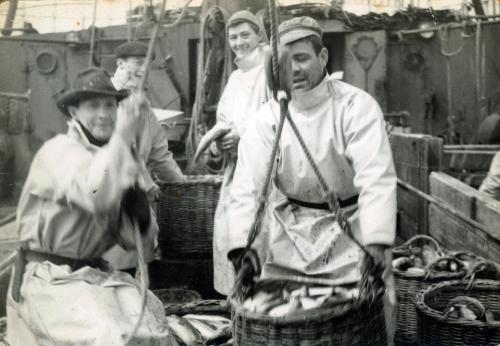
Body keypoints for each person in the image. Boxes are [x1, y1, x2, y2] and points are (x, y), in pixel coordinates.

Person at [227, 15, 396, 338]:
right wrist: (243, 247)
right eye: (285, 62)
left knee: (367, 316)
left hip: (352, 233)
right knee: (282, 323)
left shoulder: (356, 107)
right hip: (290, 237)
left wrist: (375, 242)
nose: (293, 70)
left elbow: (376, 177)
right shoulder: (267, 120)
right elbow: (248, 188)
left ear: (322, 57)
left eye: (302, 58)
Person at [6, 68, 176, 345]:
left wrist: (140, 211)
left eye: (110, 105)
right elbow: (95, 194)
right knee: (110, 338)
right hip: (50, 278)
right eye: (93, 105)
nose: (104, 114)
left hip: (93, 274)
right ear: (73, 112)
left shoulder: (120, 160)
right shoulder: (58, 151)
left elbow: (139, 244)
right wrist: (123, 137)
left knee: (155, 328)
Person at [103, 41, 185, 275]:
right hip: (109, 198)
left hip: (136, 202)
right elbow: (117, 148)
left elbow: (161, 154)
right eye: (137, 62)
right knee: (113, 266)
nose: (143, 69)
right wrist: (147, 182)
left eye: (147, 64)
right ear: (120, 64)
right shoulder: (104, 99)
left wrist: (184, 187)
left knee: (137, 264)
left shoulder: (143, 105)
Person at [212, 10, 272, 295]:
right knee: (231, 233)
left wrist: (243, 133)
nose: (239, 42)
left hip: (266, 171)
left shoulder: (271, 69)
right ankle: (236, 300)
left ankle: (263, 301)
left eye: (245, 35)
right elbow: (223, 118)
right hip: (236, 170)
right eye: (233, 37)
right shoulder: (236, 78)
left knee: (261, 233)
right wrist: (218, 140)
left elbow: (276, 116)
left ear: (259, 35)